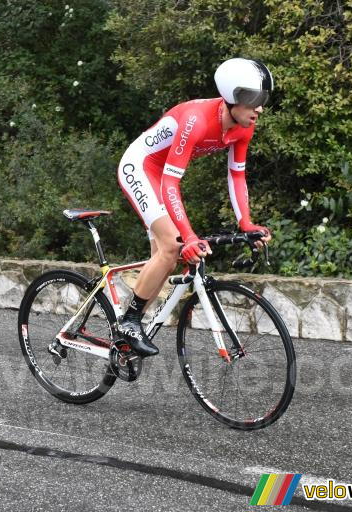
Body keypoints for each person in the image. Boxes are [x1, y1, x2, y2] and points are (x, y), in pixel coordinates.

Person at [116, 57, 273, 356]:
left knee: (165, 257)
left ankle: (124, 337)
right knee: (173, 247)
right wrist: (187, 236)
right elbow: (169, 184)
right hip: (140, 167)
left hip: (162, 175)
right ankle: (129, 323)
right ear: (232, 97)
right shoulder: (197, 120)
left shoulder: (243, 127)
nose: (260, 109)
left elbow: (236, 175)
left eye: (262, 100)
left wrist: (247, 224)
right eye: (254, 101)